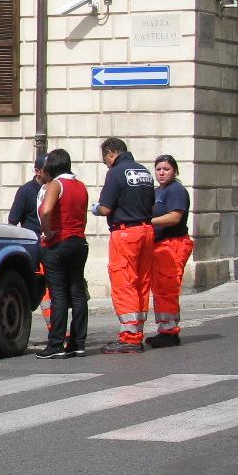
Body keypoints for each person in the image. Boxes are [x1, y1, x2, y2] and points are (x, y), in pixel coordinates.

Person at [94, 136, 155, 354]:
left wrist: (96, 208)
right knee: (141, 282)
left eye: (105, 160)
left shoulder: (116, 173)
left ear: (111, 154)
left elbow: (106, 208)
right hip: (147, 231)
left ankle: (129, 338)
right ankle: (137, 331)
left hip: (126, 234)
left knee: (125, 282)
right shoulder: (145, 172)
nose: (106, 164)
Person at [34, 148, 89, 359]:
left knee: (58, 295)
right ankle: (78, 342)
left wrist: (47, 232)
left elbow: (47, 210)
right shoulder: (80, 185)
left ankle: (56, 344)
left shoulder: (56, 184)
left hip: (59, 243)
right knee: (77, 292)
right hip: (78, 242)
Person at [146, 154, 193, 348]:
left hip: (173, 243)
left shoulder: (176, 191)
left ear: (175, 171)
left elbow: (174, 217)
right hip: (159, 245)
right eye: (158, 169)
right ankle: (164, 329)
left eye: (166, 169)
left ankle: (170, 332)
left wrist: (148, 222)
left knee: (168, 288)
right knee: (160, 289)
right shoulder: (156, 191)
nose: (162, 173)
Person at [8, 153, 52, 334]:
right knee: (41, 292)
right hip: (34, 248)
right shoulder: (26, 191)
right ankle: (54, 329)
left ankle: (58, 329)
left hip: (53, 246)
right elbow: (13, 222)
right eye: (48, 170)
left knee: (55, 290)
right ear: (37, 171)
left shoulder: (55, 188)